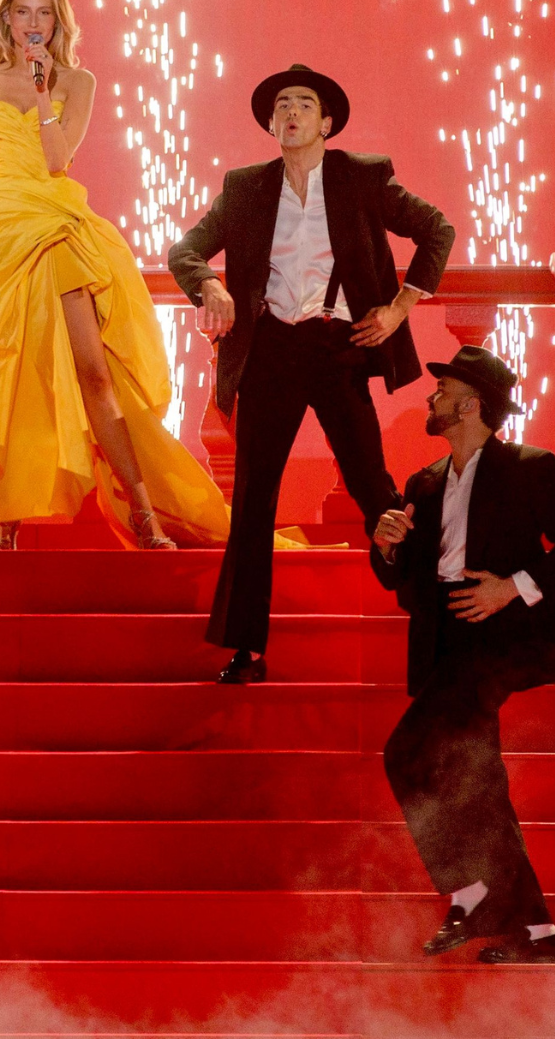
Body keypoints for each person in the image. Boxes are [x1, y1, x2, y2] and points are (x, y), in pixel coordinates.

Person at [169, 63, 455, 681]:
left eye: (303, 103)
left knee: (374, 489)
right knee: (253, 499)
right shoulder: (246, 187)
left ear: (326, 122)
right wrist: (209, 284)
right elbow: (184, 250)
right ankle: (246, 649)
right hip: (270, 349)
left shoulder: (361, 176)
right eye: (281, 105)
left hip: (338, 346)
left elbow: (437, 229)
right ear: (272, 125)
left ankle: (433, 618)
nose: (291, 112)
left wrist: (399, 307)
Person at [0, 0, 231, 550]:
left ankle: (143, 511)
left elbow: (56, 160)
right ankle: (3, 519)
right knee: (11, 367)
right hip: (1, 227)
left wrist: (43, 90)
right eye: (23, 11)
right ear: (6, 19)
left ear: (58, 22)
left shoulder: (77, 82)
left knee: (94, 371)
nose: (33, 22)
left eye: (44, 12)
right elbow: (8, 161)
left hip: (57, 224)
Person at [372, 347, 555, 963]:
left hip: (506, 633)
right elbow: (406, 584)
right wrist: (388, 548)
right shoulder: (422, 483)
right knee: (474, 776)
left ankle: (473, 894)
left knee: (410, 752)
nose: (432, 398)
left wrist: (513, 587)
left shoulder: (532, 467)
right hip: (445, 637)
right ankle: (535, 931)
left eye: (443, 390)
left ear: (471, 405)